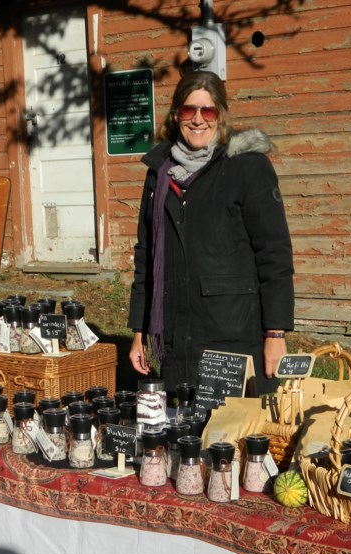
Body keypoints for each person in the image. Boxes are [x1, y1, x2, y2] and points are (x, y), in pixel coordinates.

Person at [126, 70, 294, 397]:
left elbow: (273, 253)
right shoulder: (159, 175)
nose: (198, 120)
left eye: (208, 111)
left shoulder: (247, 167)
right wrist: (139, 331)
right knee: (185, 434)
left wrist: (275, 334)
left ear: (220, 116)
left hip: (232, 330)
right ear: (176, 115)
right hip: (179, 331)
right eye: (189, 110)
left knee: (235, 435)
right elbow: (146, 254)